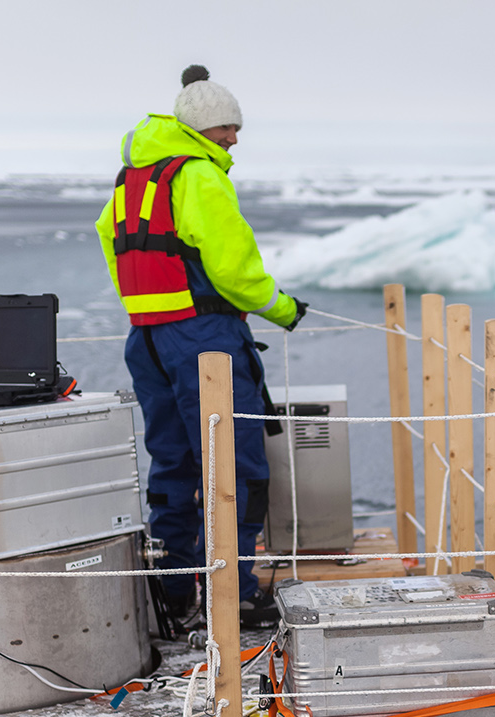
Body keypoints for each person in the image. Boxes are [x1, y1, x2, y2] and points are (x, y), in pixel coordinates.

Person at [98, 65, 308, 629]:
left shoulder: (132, 180)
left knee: (174, 463)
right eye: (227, 128)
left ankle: (174, 590)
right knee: (232, 466)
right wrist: (284, 309)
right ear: (201, 128)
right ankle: (234, 594)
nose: (235, 138)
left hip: (146, 338)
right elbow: (236, 272)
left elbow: (111, 244)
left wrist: (149, 309)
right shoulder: (201, 177)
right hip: (204, 340)